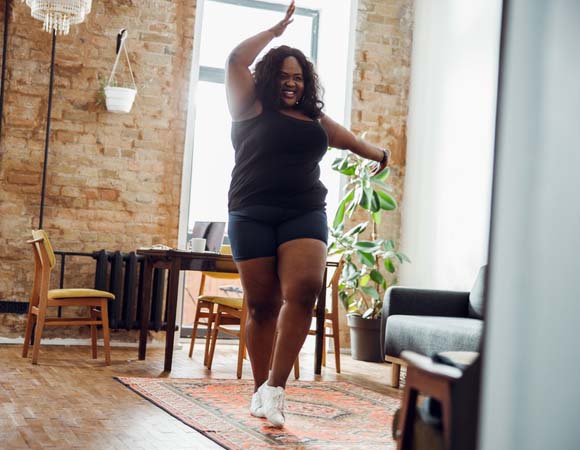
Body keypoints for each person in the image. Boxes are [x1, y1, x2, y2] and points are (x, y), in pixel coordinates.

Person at [225, 1, 390, 428]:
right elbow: (235, 59)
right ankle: (260, 389)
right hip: (251, 212)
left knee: (305, 289)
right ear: (270, 77)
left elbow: (349, 140)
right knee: (263, 306)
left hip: (304, 210)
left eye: (298, 78)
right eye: (283, 76)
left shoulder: (312, 118)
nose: (291, 84)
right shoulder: (247, 106)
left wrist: (379, 154)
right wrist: (274, 33)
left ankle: (277, 389)